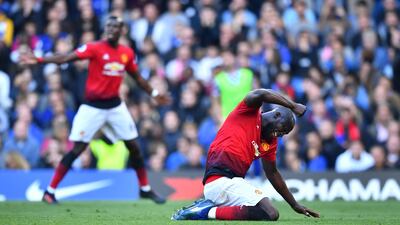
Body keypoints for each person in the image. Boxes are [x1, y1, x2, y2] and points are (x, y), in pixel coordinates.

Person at [20, 15, 170, 204]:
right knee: (77, 149)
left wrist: (155, 93)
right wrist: (40, 60)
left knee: (134, 147)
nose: (110, 29)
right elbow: (66, 57)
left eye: (114, 26)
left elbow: (138, 78)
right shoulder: (94, 48)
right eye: (108, 26)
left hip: (115, 106)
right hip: (93, 107)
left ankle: (144, 188)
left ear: (121, 30)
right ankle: (50, 191)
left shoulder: (126, 53)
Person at [171, 88, 319, 221]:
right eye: (283, 129)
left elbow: (272, 173)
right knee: (270, 213)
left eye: (284, 134)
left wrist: (294, 204)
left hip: (230, 185)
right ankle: (204, 212)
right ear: (277, 115)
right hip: (220, 179)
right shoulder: (247, 112)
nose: (280, 135)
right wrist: (292, 105)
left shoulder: (270, 142)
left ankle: (205, 211)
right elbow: (261, 93)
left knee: (265, 212)